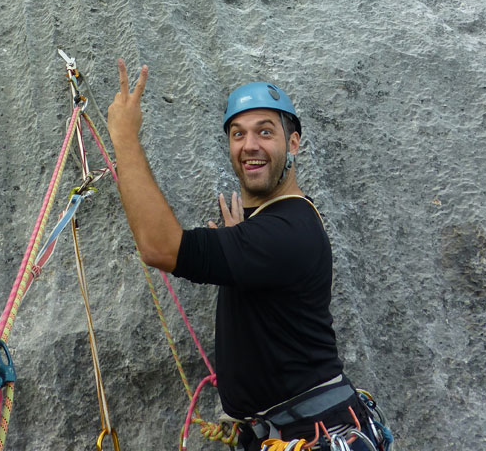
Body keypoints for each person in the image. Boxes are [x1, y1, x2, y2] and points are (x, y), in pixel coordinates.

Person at [106, 60, 391, 451]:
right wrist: (238, 241)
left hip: (310, 434)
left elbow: (160, 247)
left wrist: (124, 137)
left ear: (293, 144)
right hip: (284, 432)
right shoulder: (269, 226)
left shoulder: (287, 232)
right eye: (238, 133)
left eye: (265, 132)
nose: (250, 145)